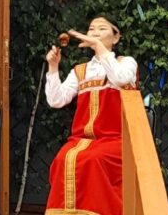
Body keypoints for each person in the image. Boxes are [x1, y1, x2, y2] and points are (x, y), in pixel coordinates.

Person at [45, 15, 138, 215]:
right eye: (92, 29)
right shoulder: (80, 70)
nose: (95, 32)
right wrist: (53, 68)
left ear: (116, 37)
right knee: (62, 158)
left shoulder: (126, 63)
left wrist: (100, 48)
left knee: (94, 159)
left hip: (116, 140)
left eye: (102, 28)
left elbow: (120, 79)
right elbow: (56, 100)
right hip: (81, 140)